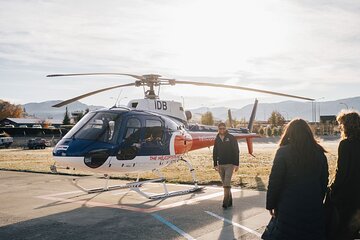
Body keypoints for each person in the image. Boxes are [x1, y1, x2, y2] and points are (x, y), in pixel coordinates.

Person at [263, 119, 328, 240]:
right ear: (308, 133)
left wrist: (270, 204)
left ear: (289, 133)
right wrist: (318, 199)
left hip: (288, 207)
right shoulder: (319, 153)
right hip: (313, 207)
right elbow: (324, 181)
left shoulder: (283, 152)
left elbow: (275, 182)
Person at [328, 111, 360, 240]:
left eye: (341, 124)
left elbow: (341, 172)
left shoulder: (346, 144)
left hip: (348, 194)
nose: (340, 127)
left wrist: (333, 188)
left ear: (347, 126)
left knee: (341, 230)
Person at [213, 122, 239, 209]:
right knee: (224, 183)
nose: (222, 130)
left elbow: (236, 151)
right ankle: (230, 201)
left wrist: (236, 164)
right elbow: (215, 151)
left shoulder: (231, 138)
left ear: (225, 128)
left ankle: (225, 201)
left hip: (230, 164)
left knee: (227, 182)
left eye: (223, 128)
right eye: (220, 129)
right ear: (218, 129)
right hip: (220, 165)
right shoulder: (217, 138)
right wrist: (215, 164)